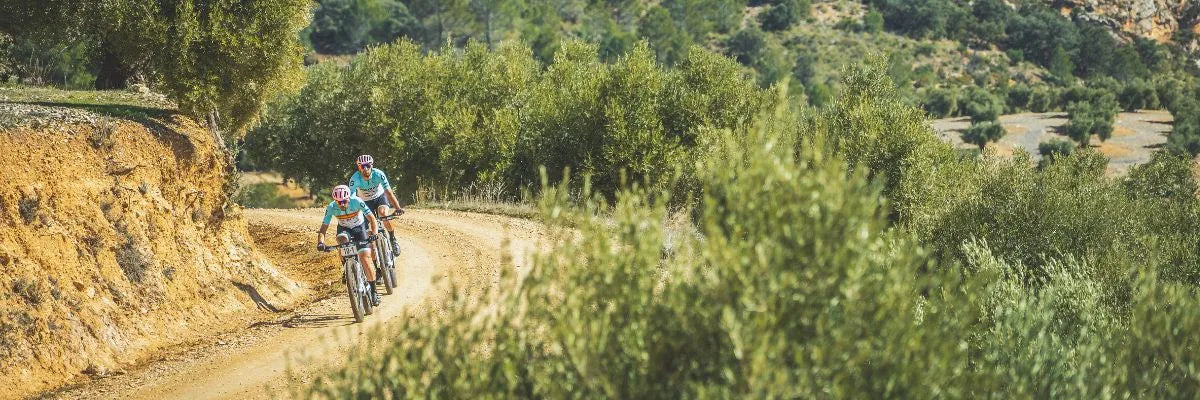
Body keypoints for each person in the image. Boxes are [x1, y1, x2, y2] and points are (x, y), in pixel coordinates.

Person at [316, 185, 381, 306]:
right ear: (335, 200)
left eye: (344, 201)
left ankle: (373, 291)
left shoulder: (356, 201)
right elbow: (323, 229)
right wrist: (320, 242)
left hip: (359, 228)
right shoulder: (331, 207)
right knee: (341, 240)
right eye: (339, 202)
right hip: (344, 229)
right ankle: (346, 268)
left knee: (365, 258)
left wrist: (374, 233)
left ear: (349, 198)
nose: (342, 204)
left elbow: (372, 218)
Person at [347, 155, 403, 255]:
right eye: (362, 166)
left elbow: (389, 192)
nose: (365, 168)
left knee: (383, 214)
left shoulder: (378, 174)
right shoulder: (354, 179)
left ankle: (392, 239)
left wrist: (398, 208)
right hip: (365, 203)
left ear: (371, 165)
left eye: (367, 165)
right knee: (369, 231)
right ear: (358, 168)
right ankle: (376, 264)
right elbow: (351, 199)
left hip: (379, 197)